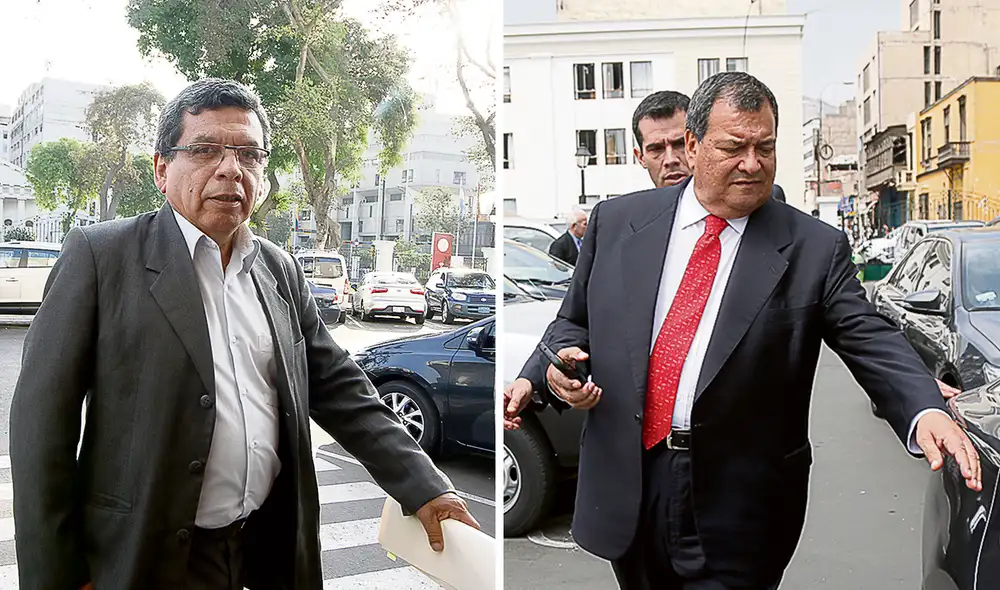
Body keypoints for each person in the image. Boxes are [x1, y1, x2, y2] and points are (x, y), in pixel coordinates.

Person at [503, 72, 979, 589]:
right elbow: (576, 319)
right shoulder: (618, 222)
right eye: (734, 147)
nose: (752, 163)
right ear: (695, 144)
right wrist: (552, 370)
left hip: (741, 501)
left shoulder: (811, 248)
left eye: (765, 146)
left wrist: (923, 405)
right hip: (631, 482)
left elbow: (867, 333)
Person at [10, 78, 478, 590]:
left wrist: (423, 484)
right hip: (140, 557)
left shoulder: (278, 269)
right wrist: (58, 575)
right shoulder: (101, 257)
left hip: (265, 551)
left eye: (250, 155)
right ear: (162, 169)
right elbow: (40, 428)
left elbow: (339, 387)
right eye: (206, 149)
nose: (232, 168)